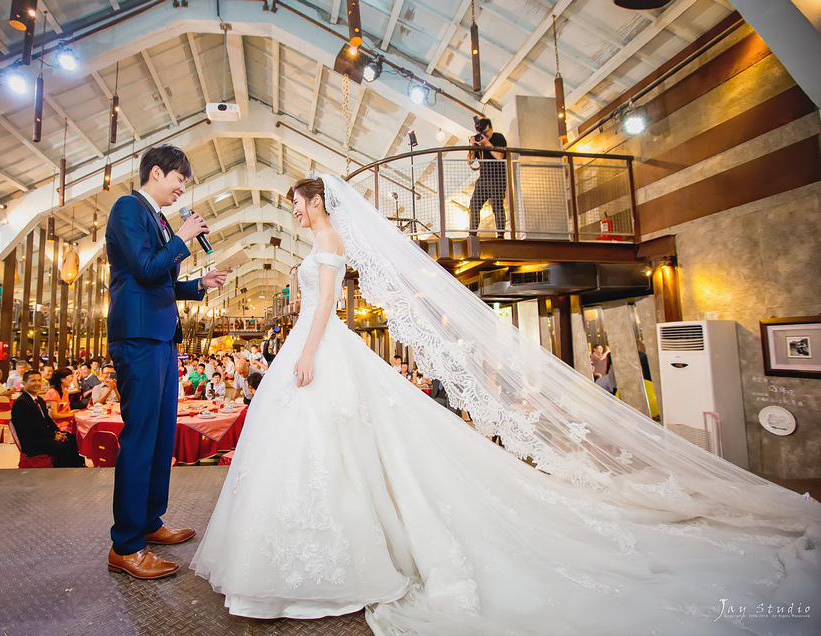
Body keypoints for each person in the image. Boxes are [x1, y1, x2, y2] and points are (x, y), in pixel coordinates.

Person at [191, 174, 821, 634]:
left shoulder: (328, 242)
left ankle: (340, 555)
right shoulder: (318, 240)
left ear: (316, 201)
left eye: (299, 203)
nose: (295, 212)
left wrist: (307, 352)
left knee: (331, 441)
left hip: (319, 345)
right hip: (311, 343)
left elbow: (324, 305)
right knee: (320, 445)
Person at [105, 144, 229, 580]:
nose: (182, 189)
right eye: (180, 179)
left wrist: (197, 284)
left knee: (160, 437)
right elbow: (142, 268)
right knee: (140, 438)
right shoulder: (127, 209)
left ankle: (150, 523)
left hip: (158, 336)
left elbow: (158, 280)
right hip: (137, 337)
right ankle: (126, 544)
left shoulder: (155, 219)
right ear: (156, 173)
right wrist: (182, 240)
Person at [10, 370, 85, 468]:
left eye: (39, 381)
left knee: (73, 439)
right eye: (33, 381)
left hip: (43, 436)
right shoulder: (21, 403)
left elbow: (48, 420)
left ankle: (78, 468)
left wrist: (58, 432)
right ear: (24, 383)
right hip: (33, 441)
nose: (37, 384)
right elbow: (32, 428)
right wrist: (53, 436)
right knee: (64, 448)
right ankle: (63, 471)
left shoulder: (39, 400)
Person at [466, 117, 508, 237]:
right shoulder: (478, 141)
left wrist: (487, 144)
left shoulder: (498, 138)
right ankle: (472, 234)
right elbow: (470, 161)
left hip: (497, 178)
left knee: (497, 205)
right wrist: (473, 146)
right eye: (482, 133)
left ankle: (500, 234)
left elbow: (500, 156)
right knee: (474, 204)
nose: (485, 135)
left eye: (486, 132)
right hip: (483, 178)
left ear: (491, 128)